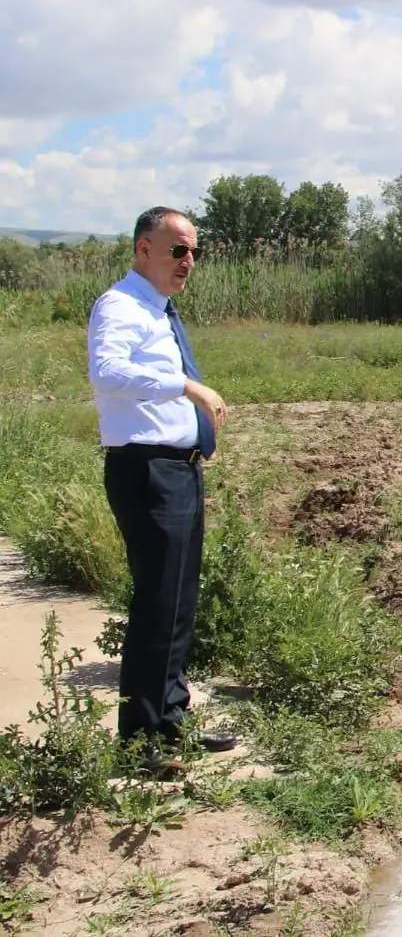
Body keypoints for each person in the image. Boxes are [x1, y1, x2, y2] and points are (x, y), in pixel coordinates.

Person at [87, 206, 237, 774]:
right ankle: (140, 741)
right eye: (177, 249)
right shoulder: (120, 306)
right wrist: (184, 386)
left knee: (177, 602)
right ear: (143, 249)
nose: (188, 261)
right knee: (157, 603)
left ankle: (171, 721)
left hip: (177, 470)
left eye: (193, 251)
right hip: (146, 470)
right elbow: (107, 372)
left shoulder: (157, 310)